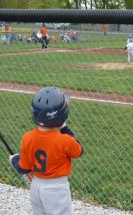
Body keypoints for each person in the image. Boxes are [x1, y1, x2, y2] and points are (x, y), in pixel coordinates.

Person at [9, 86, 84, 215]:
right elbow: (79, 151)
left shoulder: (27, 137)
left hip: (36, 186)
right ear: (62, 116)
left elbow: (23, 168)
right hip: (56, 189)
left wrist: (15, 159)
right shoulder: (65, 140)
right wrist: (64, 128)